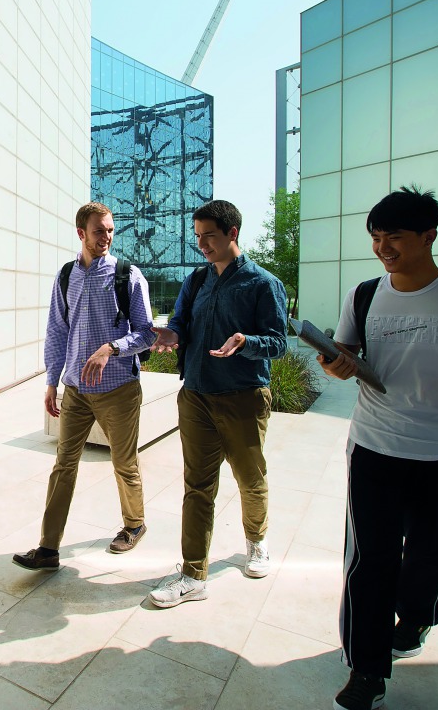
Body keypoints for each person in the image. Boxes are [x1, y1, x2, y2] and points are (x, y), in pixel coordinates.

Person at [318, 186, 438, 710]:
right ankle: (366, 670)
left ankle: (417, 616)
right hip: (373, 445)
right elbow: (347, 353)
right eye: (376, 238)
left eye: (395, 238)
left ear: (430, 236)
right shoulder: (363, 295)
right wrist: (338, 363)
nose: (383, 248)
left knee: (427, 556)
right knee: (370, 561)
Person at [146, 199, 288, 608]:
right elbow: (181, 323)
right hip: (195, 397)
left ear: (232, 233)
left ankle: (256, 541)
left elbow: (278, 342)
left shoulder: (263, 284)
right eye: (198, 236)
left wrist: (246, 342)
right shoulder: (196, 281)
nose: (202, 244)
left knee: (250, 477)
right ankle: (193, 573)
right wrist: (170, 336)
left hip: (243, 397)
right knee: (198, 486)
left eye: (209, 235)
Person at [13, 202, 157, 571]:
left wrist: (111, 348)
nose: (106, 237)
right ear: (81, 233)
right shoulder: (66, 277)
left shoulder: (128, 276)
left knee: (124, 462)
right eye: (99, 231)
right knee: (63, 465)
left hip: (119, 389)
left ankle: (134, 524)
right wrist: (51, 381)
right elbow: (57, 331)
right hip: (75, 390)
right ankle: (48, 549)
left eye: (110, 230)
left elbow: (146, 334)